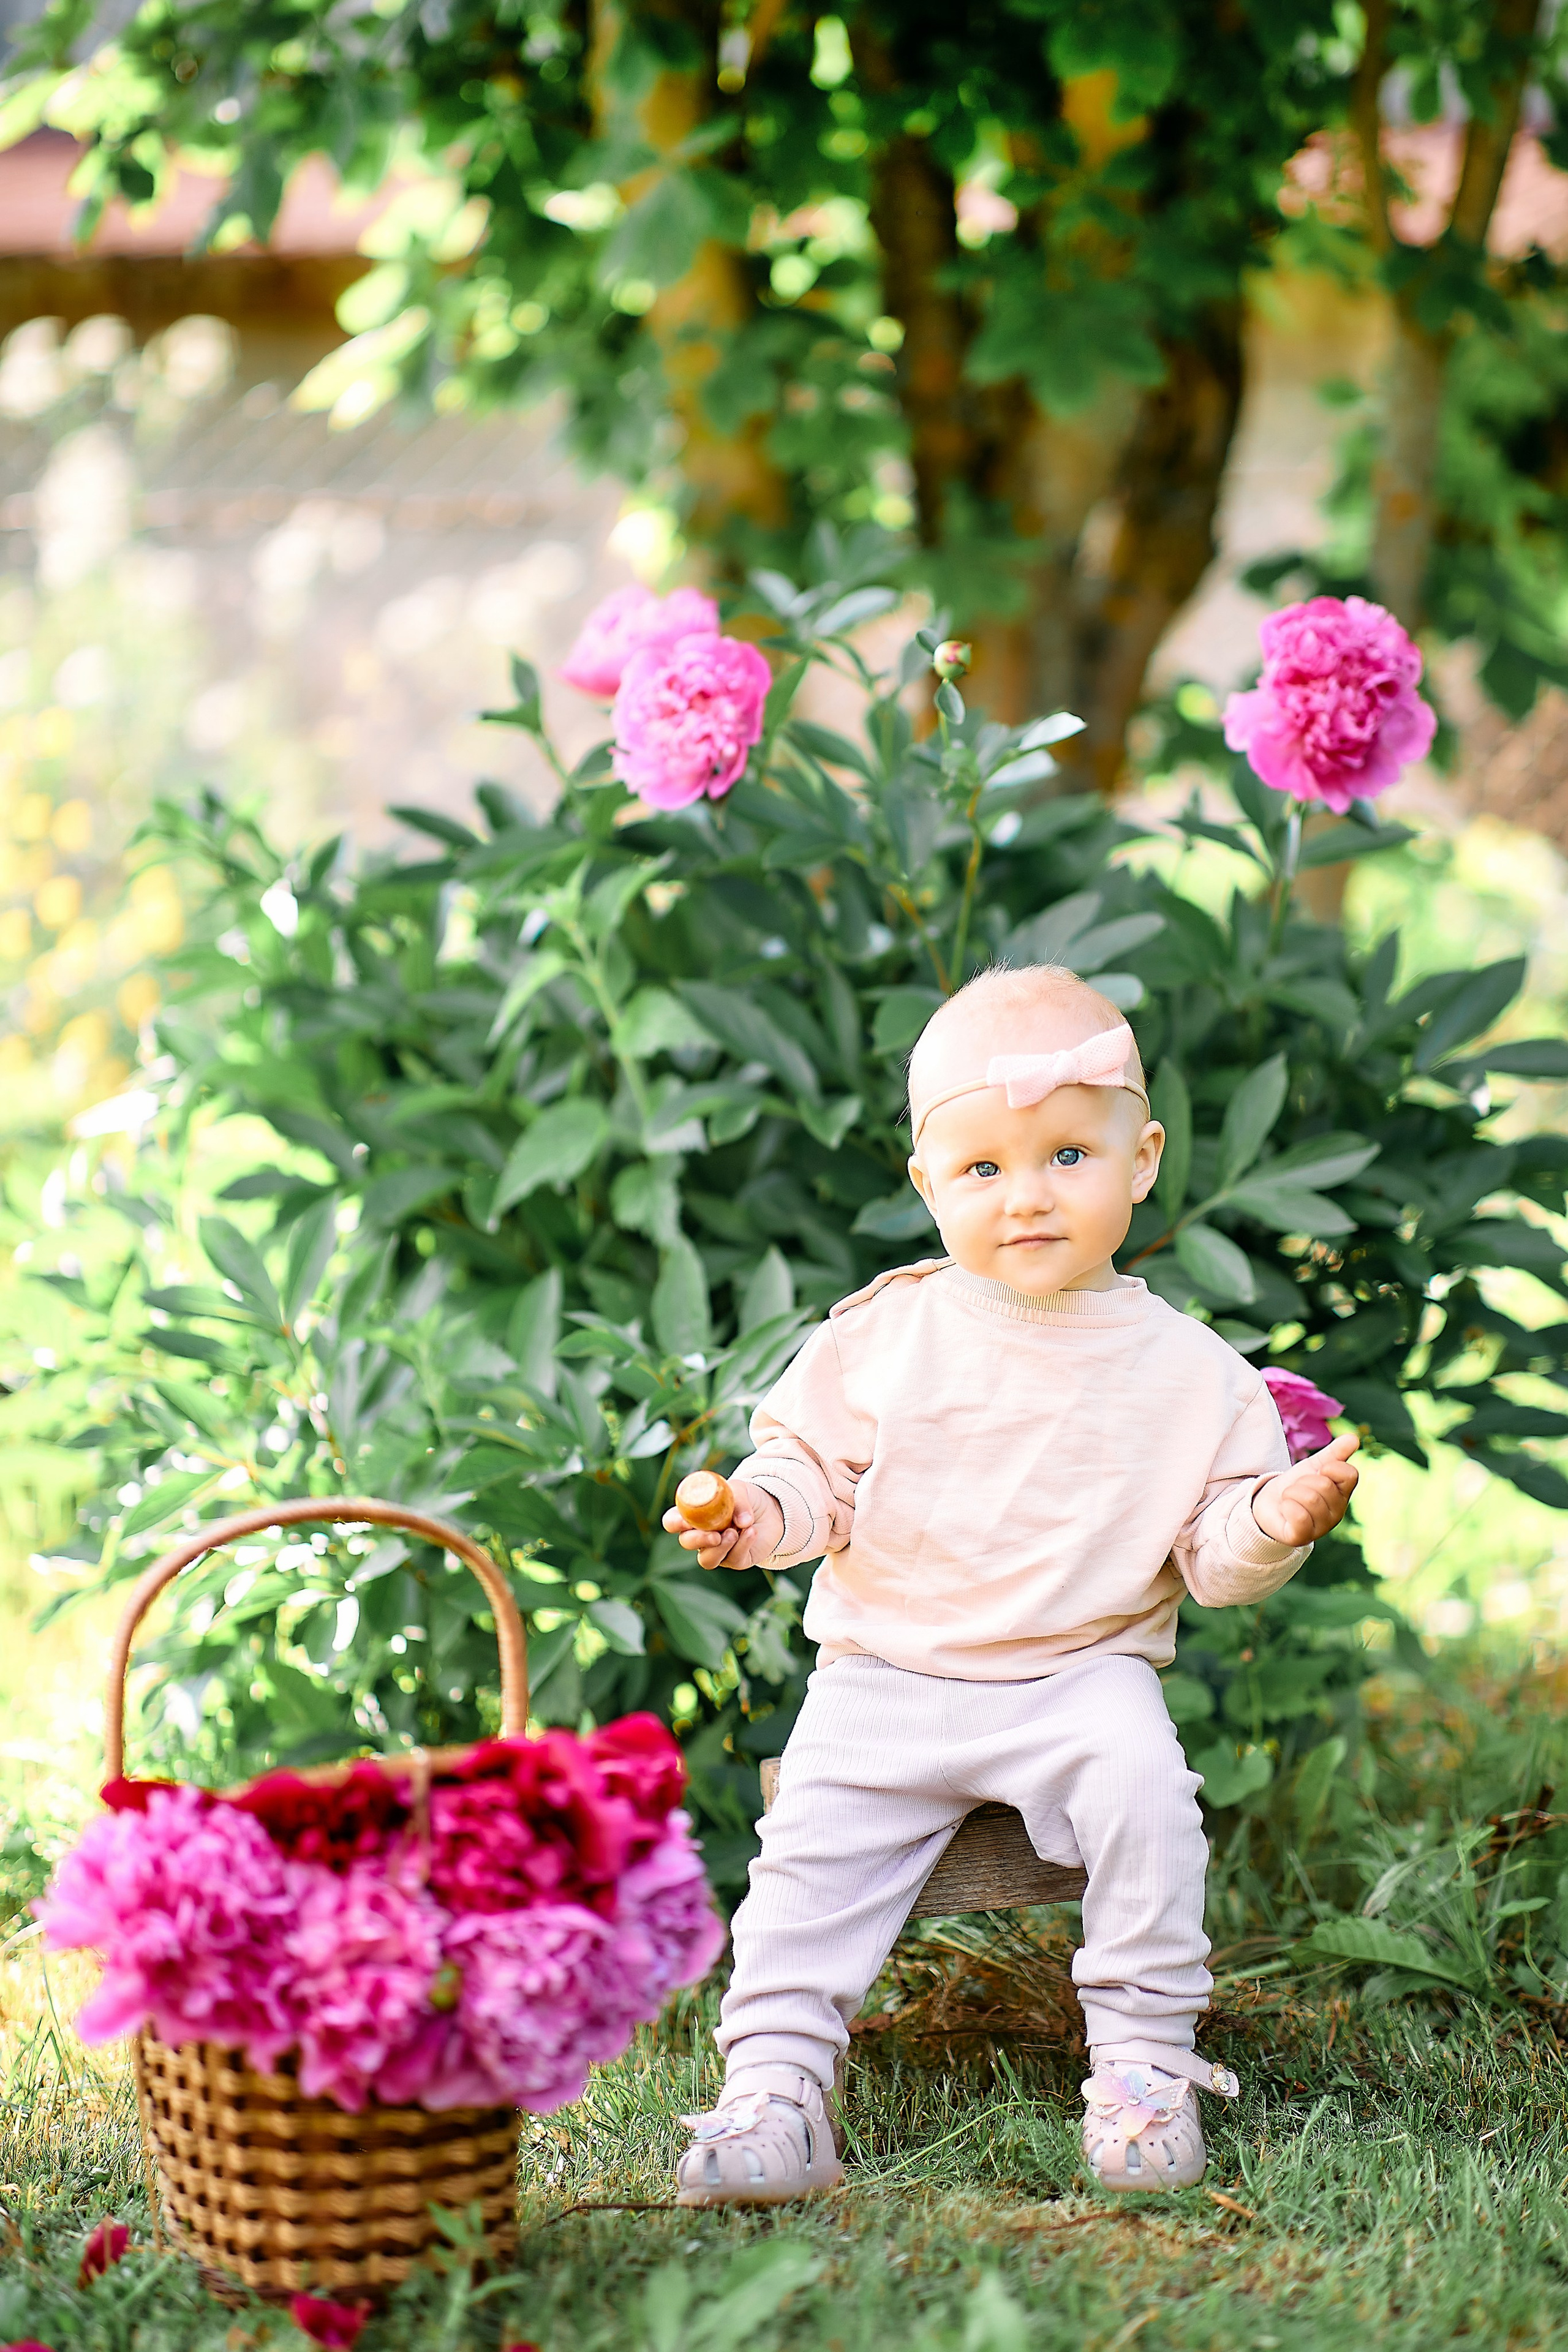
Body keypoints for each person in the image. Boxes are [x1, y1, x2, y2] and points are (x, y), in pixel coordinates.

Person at [664, 964, 1359, 2204]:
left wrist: (1273, 1516)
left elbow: (1213, 1558)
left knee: (1148, 1792)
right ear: (929, 1185)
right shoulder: (883, 1332)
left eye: (1065, 1158)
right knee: (804, 1856)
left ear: (1139, 1159)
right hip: (885, 1673)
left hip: (1078, 1677)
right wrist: (752, 1517)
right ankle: (773, 2091)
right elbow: (807, 1477)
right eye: (982, 1170)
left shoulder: (1195, 1376)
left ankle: (1143, 2068)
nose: (1025, 1197)